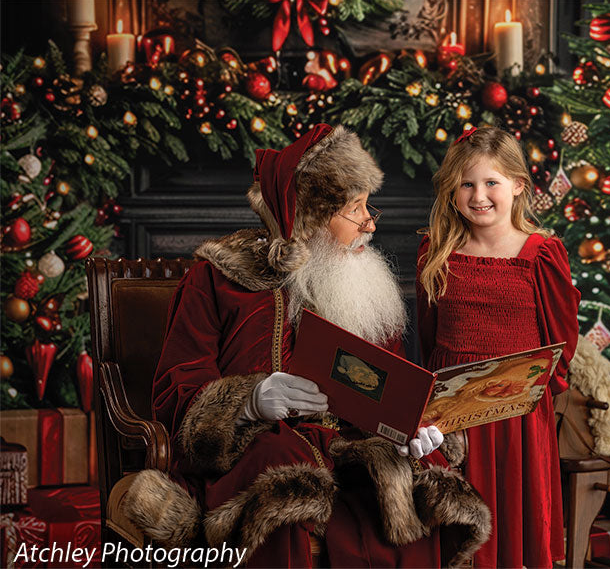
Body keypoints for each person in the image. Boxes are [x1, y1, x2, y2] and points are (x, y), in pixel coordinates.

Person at [123, 124, 491, 568]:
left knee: (417, 477)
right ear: (308, 218)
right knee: (283, 468)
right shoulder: (217, 279)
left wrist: (415, 427)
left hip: (351, 449)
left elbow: (392, 384)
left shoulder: (363, 285)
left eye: (367, 207)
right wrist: (249, 402)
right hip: (251, 451)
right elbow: (174, 390)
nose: (370, 223)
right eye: (355, 211)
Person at [416, 126, 581, 568]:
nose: (479, 195)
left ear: (518, 186)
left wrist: (534, 393)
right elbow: (428, 335)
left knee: (512, 530)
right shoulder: (436, 254)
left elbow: (562, 339)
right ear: (452, 192)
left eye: (491, 182)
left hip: (517, 416)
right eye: (466, 184)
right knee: (455, 534)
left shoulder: (541, 253)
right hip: (451, 417)